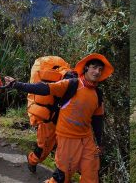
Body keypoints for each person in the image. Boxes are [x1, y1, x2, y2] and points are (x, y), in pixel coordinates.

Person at [6, 53, 112, 183]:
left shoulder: (98, 94)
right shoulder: (72, 84)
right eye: (94, 67)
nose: (97, 72)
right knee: (63, 176)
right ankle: (33, 161)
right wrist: (17, 85)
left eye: (100, 70)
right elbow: (44, 89)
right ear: (86, 68)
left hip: (87, 139)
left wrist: (99, 142)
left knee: (92, 173)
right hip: (67, 137)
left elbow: (97, 119)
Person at [25, 56, 70, 173]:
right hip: (48, 120)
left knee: (66, 150)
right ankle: (32, 160)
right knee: (44, 148)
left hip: (63, 119)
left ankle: (61, 175)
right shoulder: (45, 83)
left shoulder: (69, 80)